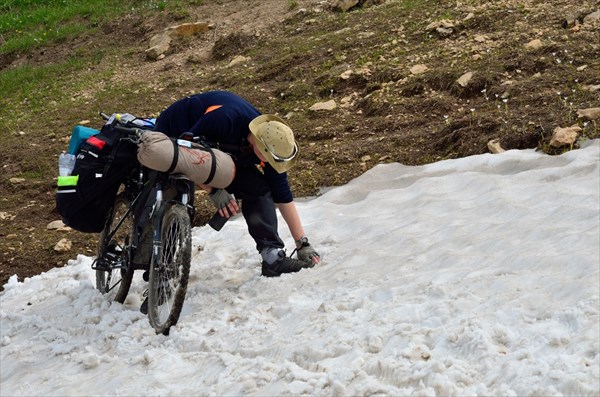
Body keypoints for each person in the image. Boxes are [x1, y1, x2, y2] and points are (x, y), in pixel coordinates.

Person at [154, 91, 321, 277]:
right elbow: (185, 153)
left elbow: (282, 194)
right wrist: (213, 189)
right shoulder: (225, 119)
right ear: (259, 146)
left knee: (259, 188)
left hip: (223, 153)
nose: (273, 165)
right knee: (178, 197)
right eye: (269, 160)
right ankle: (161, 271)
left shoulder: (274, 147)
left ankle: (272, 257)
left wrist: (302, 243)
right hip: (175, 136)